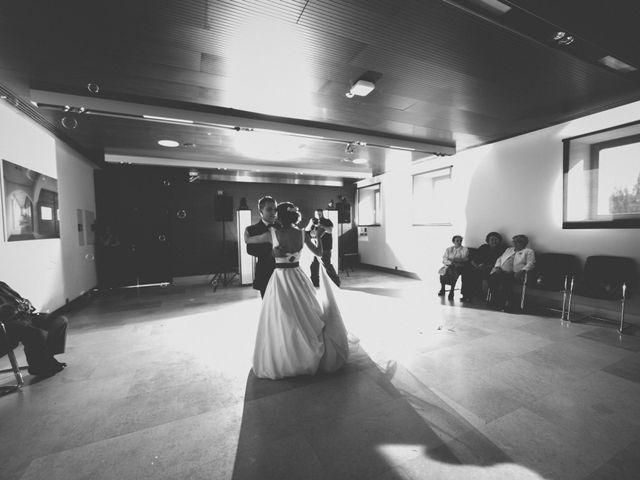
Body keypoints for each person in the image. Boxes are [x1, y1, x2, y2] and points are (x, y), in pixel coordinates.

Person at [247, 202, 349, 379]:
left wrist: (249, 234)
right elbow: (318, 252)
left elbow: (249, 239)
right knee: (306, 312)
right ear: (295, 216)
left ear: (279, 216)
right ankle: (307, 348)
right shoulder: (302, 233)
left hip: (280, 278)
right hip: (297, 276)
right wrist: (320, 236)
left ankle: (287, 352)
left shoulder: (272, 233)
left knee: (282, 315)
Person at [0, 281, 67, 377]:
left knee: (60, 321)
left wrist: (26, 303)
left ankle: (47, 359)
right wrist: (15, 309)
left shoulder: (2, 285)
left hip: (23, 317)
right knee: (36, 333)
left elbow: (18, 299)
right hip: (8, 324)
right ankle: (39, 366)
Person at [488, 234, 536, 312]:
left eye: (519, 242)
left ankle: (508, 303)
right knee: (491, 278)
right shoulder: (509, 249)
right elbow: (499, 259)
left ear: (524, 243)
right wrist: (497, 267)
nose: (516, 244)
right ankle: (497, 300)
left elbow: (531, 263)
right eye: (514, 242)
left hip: (516, 273)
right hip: (501, 271)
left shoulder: (528, 251)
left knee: (506, 281)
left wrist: (522, 271)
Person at [244, 196, 277, 298]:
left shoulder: (282, 227)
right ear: (261, 211)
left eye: (275, 209)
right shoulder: (252, 230)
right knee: (267, 303)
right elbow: (250, 250)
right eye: (269, 209)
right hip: (265, 271)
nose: (273, 213)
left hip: (283, 272)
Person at [461, 232, 506, 302]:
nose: (494, 241)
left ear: (499, 240)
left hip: (491, 269)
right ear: (488, 241)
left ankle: (494, 298)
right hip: (479, 267)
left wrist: (486, 266)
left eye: (496, 239)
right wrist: (476, 265)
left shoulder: (502, 249)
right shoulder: (484, 247)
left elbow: (499, 261)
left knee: (492, 274)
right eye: (492, 239)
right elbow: (474, 257)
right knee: (467, 270)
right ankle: (466, 295)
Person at [307, 208, 341, 288]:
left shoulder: (327, 221)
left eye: (320, 213)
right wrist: (311, 225)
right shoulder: (313, 222)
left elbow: (330, 230)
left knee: (327, 265)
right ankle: (315, 283)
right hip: (316, 248)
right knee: (314, 266)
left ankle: (336, 282)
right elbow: (309, 233)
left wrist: (321, 226)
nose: (318, 215)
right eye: (317, 213)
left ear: (322, 213)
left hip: (326, 248)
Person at [437, 235, 469, 300]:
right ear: (453, 241)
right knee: (443, 272)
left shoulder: (465, 249)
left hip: (459, 266)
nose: (459, 242)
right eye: (457, 241)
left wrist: (454, 261)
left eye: (460, 241)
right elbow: (444, 259)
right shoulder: (449, 249)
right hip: (449, 265)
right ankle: (442, 288)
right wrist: (450, 262)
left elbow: (464, 259)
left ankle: (452, 291)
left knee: (453, 273)